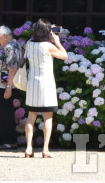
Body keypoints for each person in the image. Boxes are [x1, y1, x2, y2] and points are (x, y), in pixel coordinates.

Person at [23, 19, 68, 158]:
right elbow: (64, 56)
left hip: (32, 83)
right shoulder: (48, 46)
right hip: (46, 83)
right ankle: (45, 149)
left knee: (31, 116)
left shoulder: (29, 44)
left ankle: (29, 148)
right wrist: (57, 41)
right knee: (48, 117)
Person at [0, 25, 21, 150]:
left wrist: (9, 87)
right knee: (3, 114)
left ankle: (9, 141)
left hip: (4, 86)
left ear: (5, 36)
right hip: (1, 85)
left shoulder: (10, 47)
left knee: (6, 113)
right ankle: (3, 141)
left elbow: (13, 68)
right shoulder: (11, 46)